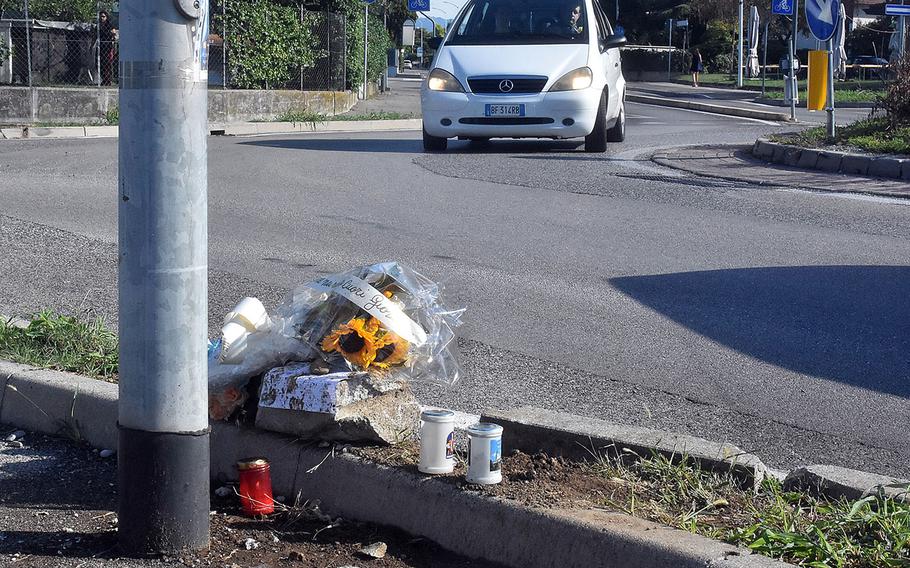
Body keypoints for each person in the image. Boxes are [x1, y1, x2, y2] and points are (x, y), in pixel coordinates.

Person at [98, 11, 118, 85]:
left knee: (108, 64)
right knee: (101, 64)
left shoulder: (109, 25)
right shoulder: (99, 26)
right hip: (101, 47)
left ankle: (108, 80)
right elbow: (94, 36)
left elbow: (114, 33)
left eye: (103, 16)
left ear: (106, 17)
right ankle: (104, 79)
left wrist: (113, 35)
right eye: (101, 16)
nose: (102, 18)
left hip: (108, 47)